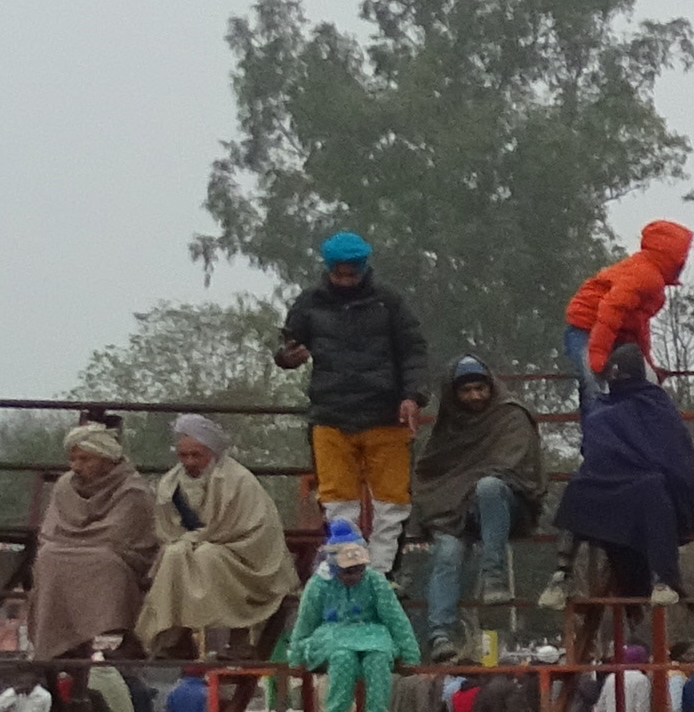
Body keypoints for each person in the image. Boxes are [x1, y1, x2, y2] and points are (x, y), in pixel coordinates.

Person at [274, 229, 428, 529]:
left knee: (392, 504)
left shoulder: (389, 301)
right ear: (328, 268)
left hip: (386, 415)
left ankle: (384, 561)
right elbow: (287, 345)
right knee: (337, 503)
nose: (345, 281)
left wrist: (412, 396)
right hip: (331, 416)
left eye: (352, 275)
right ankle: (345, 558)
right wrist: (286, 358)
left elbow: (414, 350)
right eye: (339, 274)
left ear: (364, 267)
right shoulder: (309, 303)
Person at [558, 340, 694, 621]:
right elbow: (596, 450)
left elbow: (674, 454)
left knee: (652, 489)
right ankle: (561, 574)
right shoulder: (602, 408)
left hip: (651, 487)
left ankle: (663, 577)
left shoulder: (655, 405)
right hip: (613, 487)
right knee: (579, 487)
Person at [404, 355, 548, 644]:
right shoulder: (449, 426)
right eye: (466, 390)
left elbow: (515, 466)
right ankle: (440, 635)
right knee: (447, 551)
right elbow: (431, 472)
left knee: (489, 486)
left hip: (505, 505)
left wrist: (469, 488)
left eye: (480, 388)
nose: (474, 396)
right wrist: (450, 499)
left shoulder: (511, 416)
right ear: (454, 394)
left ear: (490, 387)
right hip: (455, 510)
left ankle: (494, 577)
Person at [143, 414, 297, 663]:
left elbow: (252, 531)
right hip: (193, 546)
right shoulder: (171, 485)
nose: (190, 462)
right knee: (173, 555)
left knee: (208, 556)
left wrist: (202, 540)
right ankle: (175, 639)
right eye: (184, 455)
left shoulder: (239, 481)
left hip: (242, 553)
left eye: (197, 455)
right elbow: (168, 529)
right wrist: (189, 541)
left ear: (212, 452)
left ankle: (238, 639)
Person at [25, 415, 159, 658]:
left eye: (85, 459)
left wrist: (78, 541)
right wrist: (77, 542)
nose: (76, 466)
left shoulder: (133, 490)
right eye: (73, 459)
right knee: (48, 557)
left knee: (104, 561)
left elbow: (121, 537)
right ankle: (58, 645)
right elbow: (51, 531)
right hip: (67, 548)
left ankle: (113, 638)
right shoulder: (65, 486)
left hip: (116, 555)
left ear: (107, 459)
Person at [280, 520, 420, 712]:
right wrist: (297, 658)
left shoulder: (375, 581)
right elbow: (306, 621)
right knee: (342, 658)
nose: (354, 575)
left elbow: (395, 617)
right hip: (332, 636)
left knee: (378, 658)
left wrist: (409, 654)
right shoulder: (319, 584)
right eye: (347, 571)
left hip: (372, 634)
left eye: (358, 569)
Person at [565, 217, 692, 388]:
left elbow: (638, 328)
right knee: (593, 385)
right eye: (683, 255)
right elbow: (611, 309)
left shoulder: (653, 281)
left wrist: (647, 365)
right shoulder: (645, 276)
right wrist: (598, 356)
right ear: (672, 255)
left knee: (638, 384)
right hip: (587, 327)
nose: (684, 261)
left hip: (611, 333)